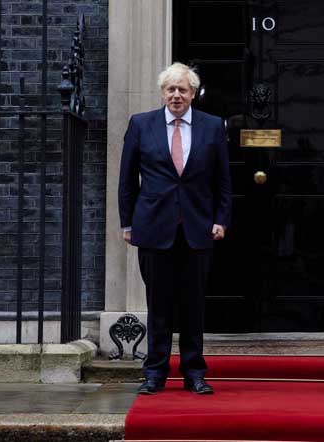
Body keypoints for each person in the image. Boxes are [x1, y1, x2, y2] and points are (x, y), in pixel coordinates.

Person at [118, 62, 232, 395]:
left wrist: (221, 219)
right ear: (162, 93)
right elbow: (127, 180)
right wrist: (128, 223)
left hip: (198, 229)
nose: (176, 95)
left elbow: (223, 180)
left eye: (183, 89)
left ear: (193, 93)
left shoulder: (212, 126)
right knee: (159, 306)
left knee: (193, 306)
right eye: (171, 89)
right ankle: (155, 373)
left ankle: (194, 372)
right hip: (154, 229)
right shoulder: (141, 124)